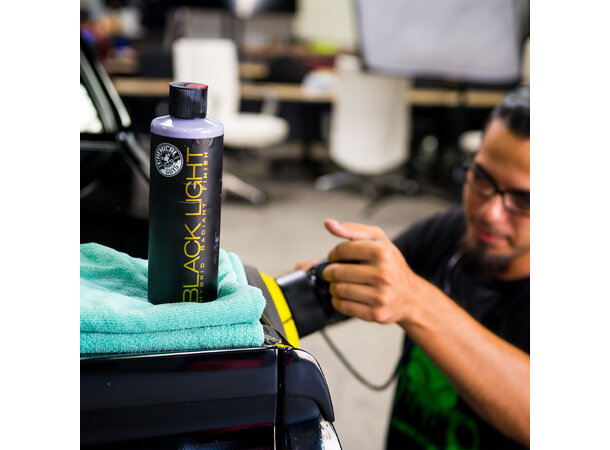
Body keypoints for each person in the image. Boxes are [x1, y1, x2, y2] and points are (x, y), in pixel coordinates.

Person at [300, 87, 530, 449]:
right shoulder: (450, 232)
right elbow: (341, 283)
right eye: (483, 178)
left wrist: (416, 301)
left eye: (523, 199)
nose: (490, 212)